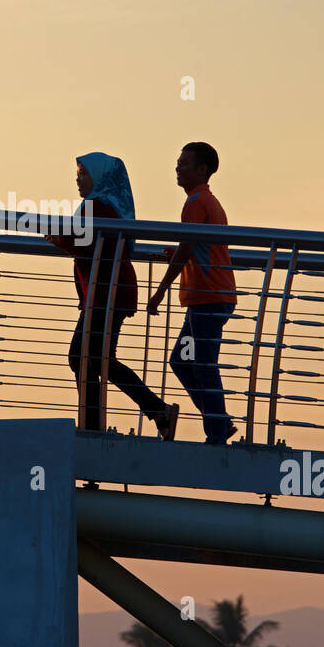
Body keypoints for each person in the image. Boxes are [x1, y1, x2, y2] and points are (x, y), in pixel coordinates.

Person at [47, 153, 179, 439]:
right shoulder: (106, 205)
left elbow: (85, 242)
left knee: (85, 357)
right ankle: (151, 413)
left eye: (83, 173)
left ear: (100, 177)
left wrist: (59, 239)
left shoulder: (97, 206)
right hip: (108, 293)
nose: (78, 179)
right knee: (94, 358)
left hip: (107, 294)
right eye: (77, 174)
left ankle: (100, 422)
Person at [146, 143, 238, 445]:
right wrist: (176, 254)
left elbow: (187, 248)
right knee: (184, 362)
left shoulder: (196, 202)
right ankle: (219, 423)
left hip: (208, 297)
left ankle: (217, 432)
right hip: (208, 297)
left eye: (184, 163)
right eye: (178, 162)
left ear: (202, 169)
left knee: (203, 364)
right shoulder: (206, 201)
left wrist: (160, 291)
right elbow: (195, 248)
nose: (178, 167)